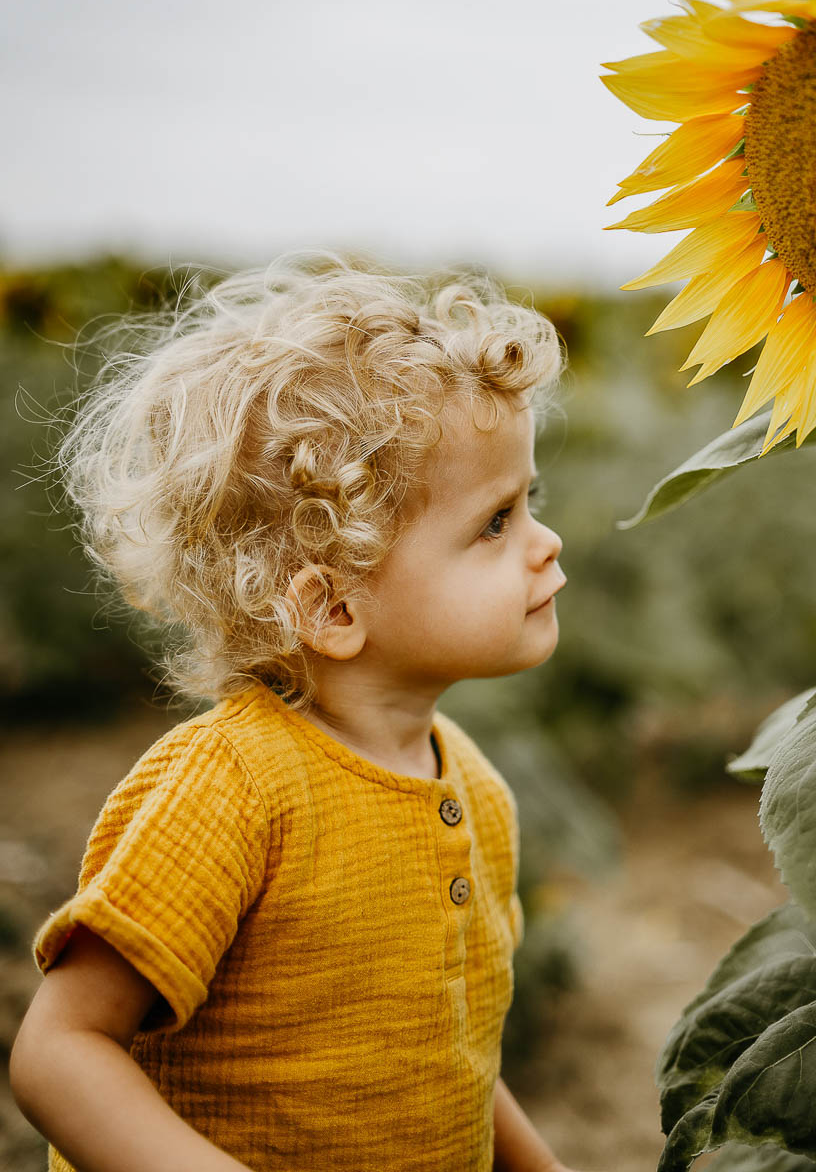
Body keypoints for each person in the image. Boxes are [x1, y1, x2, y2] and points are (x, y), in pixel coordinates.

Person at [11, 256, 589, 1172]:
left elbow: (450, 1049)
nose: (544, 541)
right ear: (332, 608)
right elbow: (60, 1051)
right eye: (494, 522)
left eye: (531, 502)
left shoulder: (471, 787)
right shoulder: (230, 789)